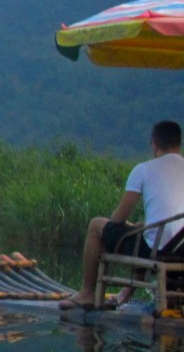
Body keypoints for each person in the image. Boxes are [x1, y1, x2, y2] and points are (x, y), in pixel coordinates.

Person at [61, 120, 184, 309]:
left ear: (154, 144)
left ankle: (87, 293)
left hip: (157, 252)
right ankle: (127, 292)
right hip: (180, 250)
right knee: (143, 232)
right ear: (179, 143)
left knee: (96, 226)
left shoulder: (143, 169)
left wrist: (128, 224)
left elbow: (118, 219)